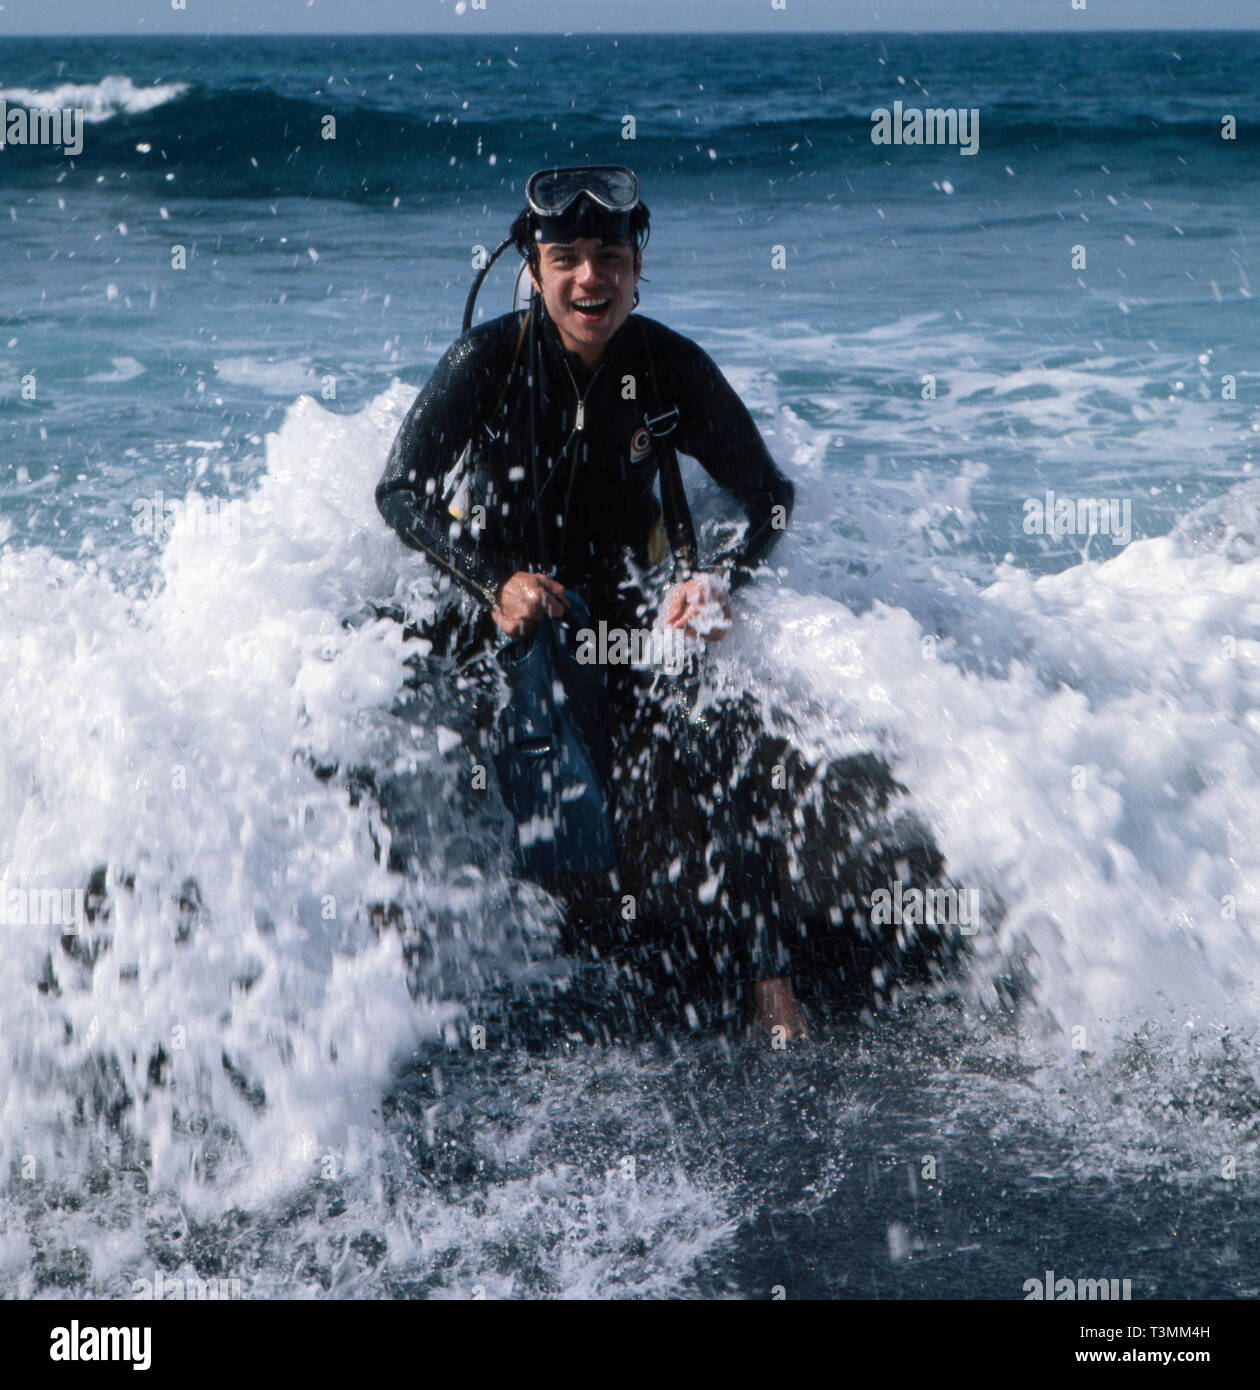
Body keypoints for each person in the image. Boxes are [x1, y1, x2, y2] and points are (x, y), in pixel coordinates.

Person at [375, 166, 807, 1039]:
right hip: (492, 599)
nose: (589, 277)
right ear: (531, 269)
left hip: (620, 612)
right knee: (387, 703)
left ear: (637, 267)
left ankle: (774, 986)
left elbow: (770, 498)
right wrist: (494, 583)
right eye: (564, 255)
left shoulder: (670, 367)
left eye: (609, 254)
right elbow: (400, 496)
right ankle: (398, 967)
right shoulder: (486, 362)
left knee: (716, 726)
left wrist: (718, 580)